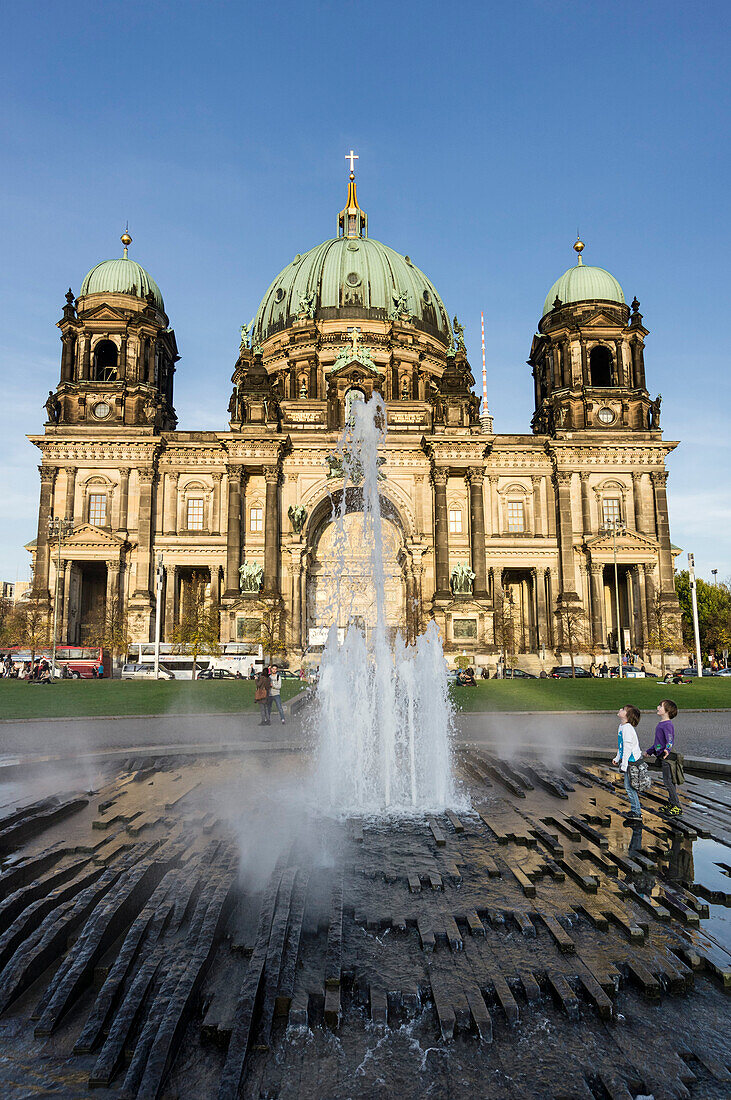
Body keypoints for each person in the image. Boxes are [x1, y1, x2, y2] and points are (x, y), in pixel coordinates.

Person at [645, 699, 682, 816]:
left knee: (668, 782)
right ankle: (671, 803)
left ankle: (677, 806)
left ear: (667, 711)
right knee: (669, 781)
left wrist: (667, 749)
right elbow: (658, 743)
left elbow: (670, 739)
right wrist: (649, 751)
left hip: (668, 758)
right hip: (664, 756)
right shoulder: (662, 724)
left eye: (660, 706)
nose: (657, 707)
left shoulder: (667, 724)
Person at [612, 704, 643, 822]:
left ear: (627, 715)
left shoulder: (627, 728)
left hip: (632, 762)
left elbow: (628, 748)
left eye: (623, 709)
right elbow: (621, 746)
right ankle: (635, 810)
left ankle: (637, 813)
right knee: (629, 786)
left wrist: (624, 764)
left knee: (630, 787)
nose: (620, 710)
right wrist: (617, 757)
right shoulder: (622, 726)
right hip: (628, 761)